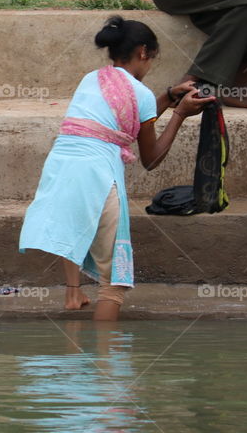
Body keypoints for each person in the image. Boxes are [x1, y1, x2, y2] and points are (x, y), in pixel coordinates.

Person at [19, 17, 214, 320]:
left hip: (61, 166)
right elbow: (150, 158)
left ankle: (73, 294)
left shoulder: (92, 78)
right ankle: (104, 360)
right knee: (114, 283)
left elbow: (131, 119)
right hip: (96, 175)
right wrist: (179, 114)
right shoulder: (141, 94)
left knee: (74, 230)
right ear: (143, 53)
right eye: (151, 59)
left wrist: (169, 95)